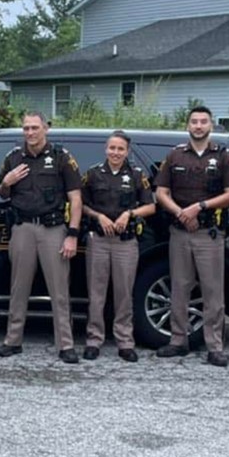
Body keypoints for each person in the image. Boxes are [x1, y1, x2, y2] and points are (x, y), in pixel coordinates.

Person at [0, 112, 83, 362]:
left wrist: (72, 235)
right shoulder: (13, 158)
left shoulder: (61, 158)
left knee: (59, 290)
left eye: (34, 128)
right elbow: (0, 193)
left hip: (53, 229)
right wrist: (7, 182)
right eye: (25, 128)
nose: (30, 133)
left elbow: (76, 199)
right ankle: (13, 340)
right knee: (18, 287)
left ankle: (65, 345)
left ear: (46, 128)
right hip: (22, 228)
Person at [154, 106, 229, 367]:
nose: (199, 125)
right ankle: (178, 341)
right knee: (179, 288)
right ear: (188, 125)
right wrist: (180, 212)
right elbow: (161, 192)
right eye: (194, 121)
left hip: (209, 233)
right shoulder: (175, 156)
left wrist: (200, 207)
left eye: (203, 121)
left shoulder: (224, 157)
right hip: (179, 231)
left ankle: (215, 346)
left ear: (211, 126)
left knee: (213, 291)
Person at [80, 130, 156, 362]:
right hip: (99, 239)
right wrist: (97, 216)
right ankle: (94, 340)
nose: (115, 152)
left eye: (120, 148)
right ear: (106, 149)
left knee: (123, 293)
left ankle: (124, 341)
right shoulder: (93, 174)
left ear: (127, 151)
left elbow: (151, 207)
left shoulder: (136, 175)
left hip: (125, 242)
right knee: (96, 293)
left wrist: (129, 214)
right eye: (112, 148)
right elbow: (79, 204)